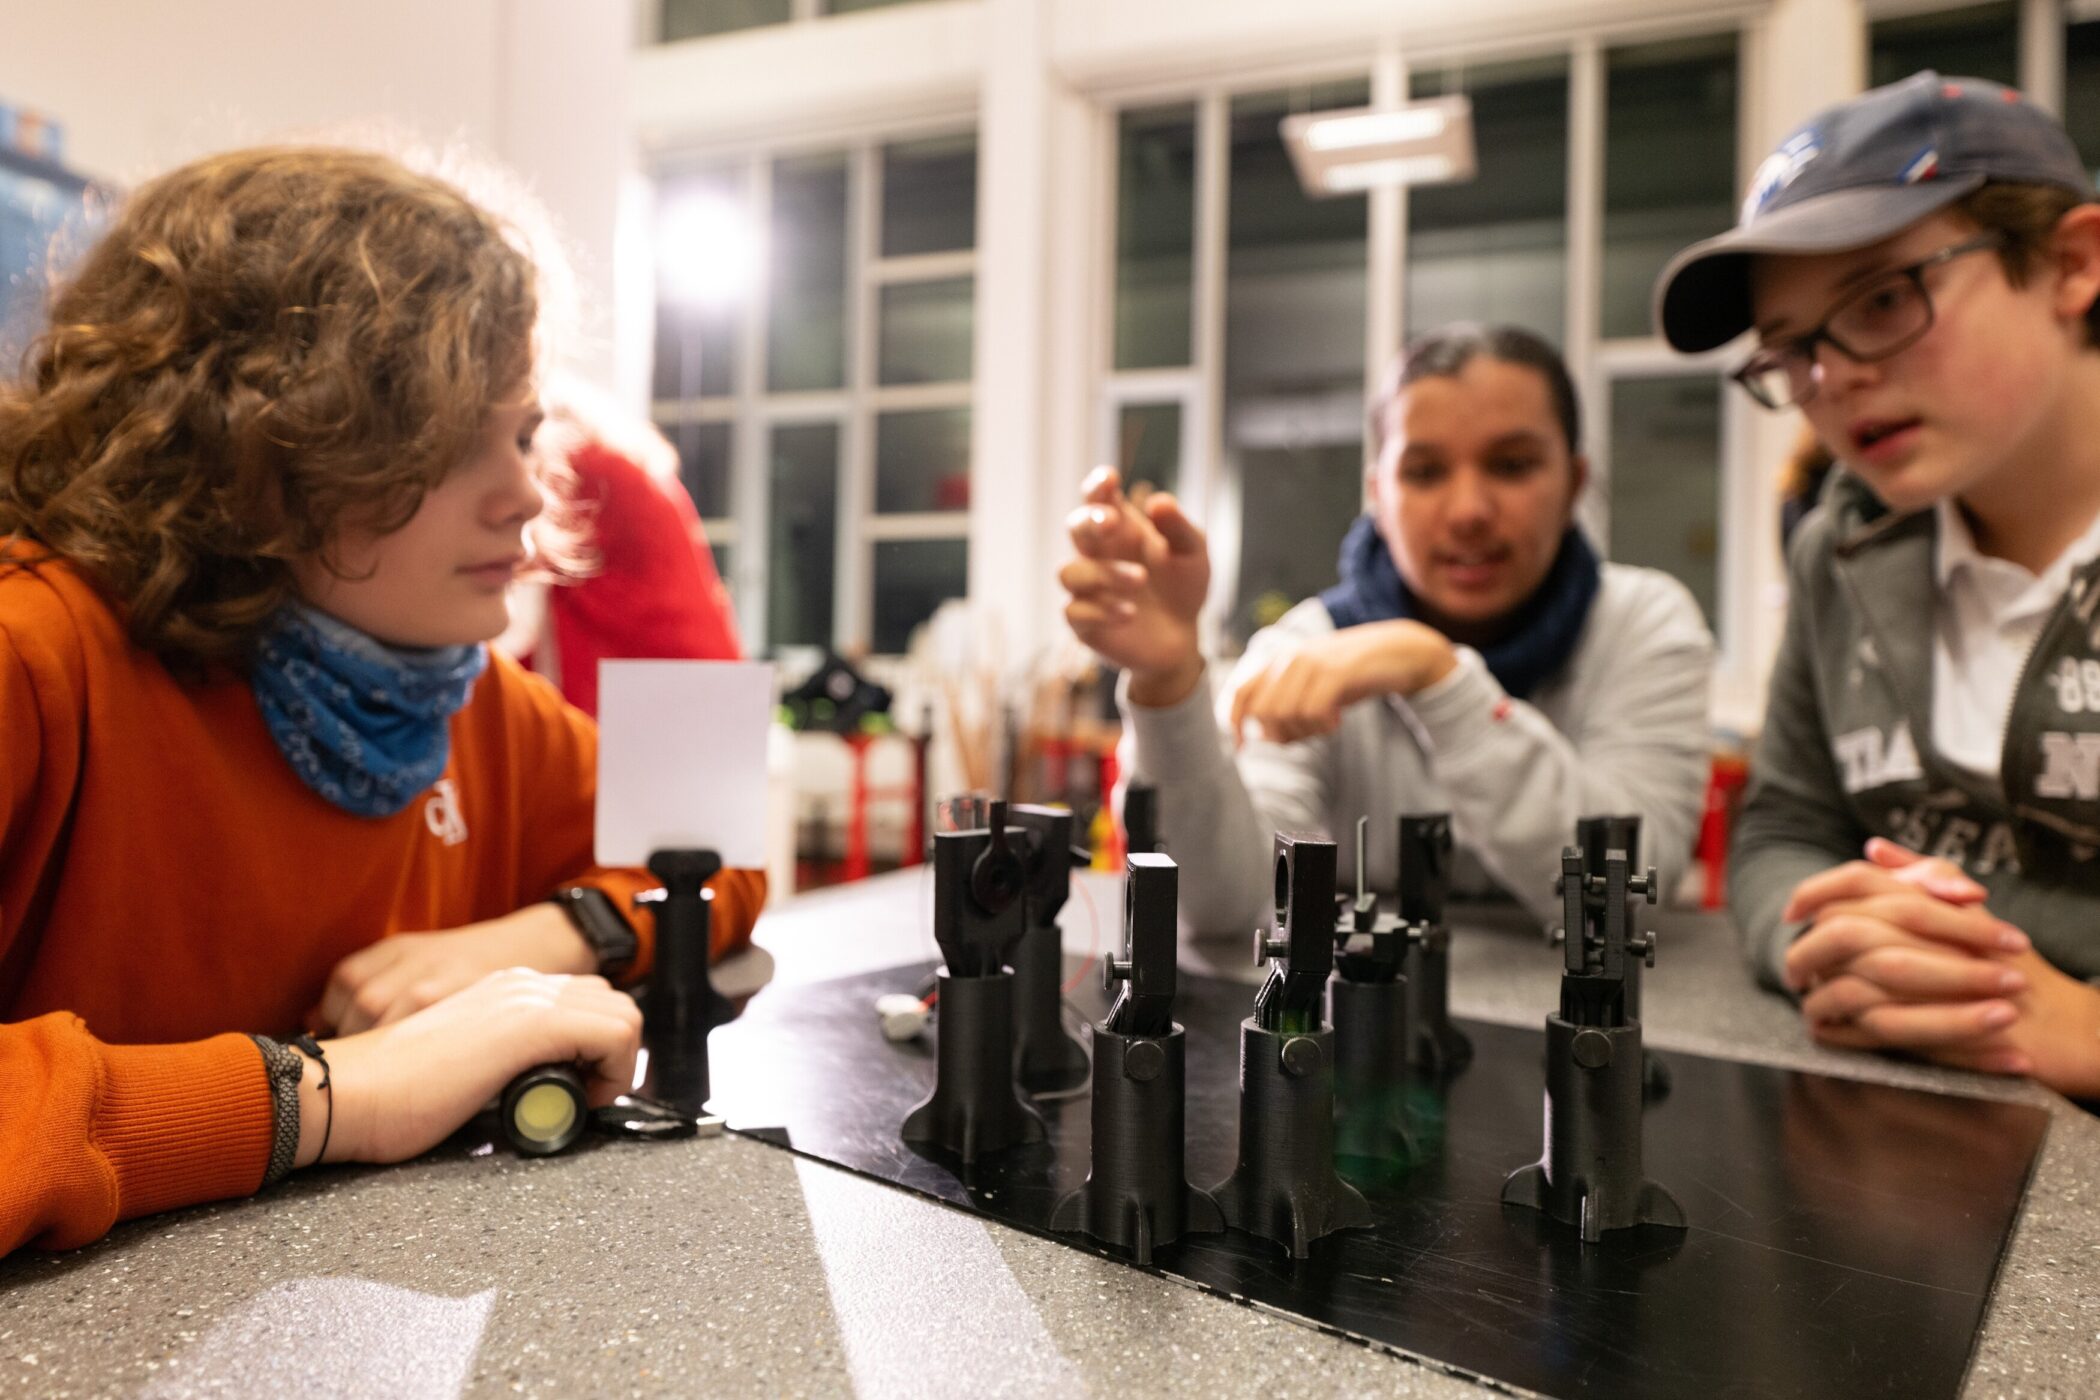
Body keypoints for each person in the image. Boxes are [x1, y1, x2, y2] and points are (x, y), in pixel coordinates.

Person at [0, 145, 765, 1257]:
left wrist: (554, 933)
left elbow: (722, 848)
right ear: (257, 450)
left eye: (523, 433)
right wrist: (335, 1094)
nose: (526, 494)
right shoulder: (36, 654)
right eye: (449, 442)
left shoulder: (474, 693)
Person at [1655, 71, 2100, 1096]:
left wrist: (2076, 1022)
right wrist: (1828, 941)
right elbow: (1783, 830)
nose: (1834, 378)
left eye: (1886, 299)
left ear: (2072, 264)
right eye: (1791, 349)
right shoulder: (1837, 551)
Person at [1060, 324, 1715, 934]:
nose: (1468, 511)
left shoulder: (1643, 625)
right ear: (1378, 493)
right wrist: (1168, 680)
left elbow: (1625, 898)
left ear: (1574, 482)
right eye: (1425, 472)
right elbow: (1225, 904)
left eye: (1512, 465)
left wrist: (1439, 678)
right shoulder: (1303, 653)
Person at [496, 375, 742, 718]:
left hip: (652, 683)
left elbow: (517, 555)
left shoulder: (582, 464)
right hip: (707, 673)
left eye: (524, 440)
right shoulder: (637, 467)